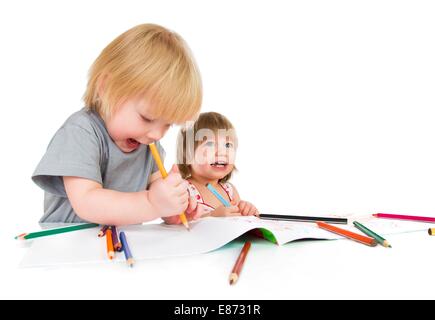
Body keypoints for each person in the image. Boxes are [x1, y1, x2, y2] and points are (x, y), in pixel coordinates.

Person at [32, 23, 202, 225]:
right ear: (105, 88)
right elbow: (87, 202)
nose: (157, 134)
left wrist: (173, 207)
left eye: (168, 125)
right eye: (146, 117)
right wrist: (152, 203)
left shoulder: (148, 143)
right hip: (67, 244)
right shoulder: (81, 132)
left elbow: (157, 193)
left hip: (117, 247)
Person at [163, 112, 258, 224]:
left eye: (228, 145)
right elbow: (174, 224)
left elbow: (239, 223)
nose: (222, 152)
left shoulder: (230, 191)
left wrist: (246, 210)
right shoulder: (185, 190)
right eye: (210, 144)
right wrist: (212, 216)